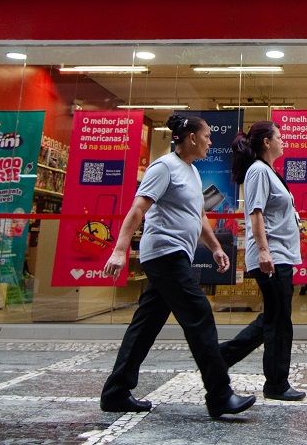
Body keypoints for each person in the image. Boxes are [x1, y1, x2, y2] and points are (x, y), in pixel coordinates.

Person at [100, 114, 256, 418]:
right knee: (198, 313)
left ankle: (116, 392)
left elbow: (198, 216)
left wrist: (214, 247)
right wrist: (120, 250)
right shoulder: (163, 167)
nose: (211, 142)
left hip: (177, 254)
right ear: (192, 138)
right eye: (207, 136)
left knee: (146, 324)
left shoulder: (192, 173)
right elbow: (138, 208)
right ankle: (220, 395)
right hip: (163, 252)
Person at [219, 121, 307, 401]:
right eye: (279, 137)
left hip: (280, 255)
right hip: (272, 257)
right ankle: (277, 383)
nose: (284, 142)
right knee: (280, 322)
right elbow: (255, 213)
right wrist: (264, 251)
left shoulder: (269, 172)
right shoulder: (258, 171)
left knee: (274, 317)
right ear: (267, 142)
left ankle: (221, 357)